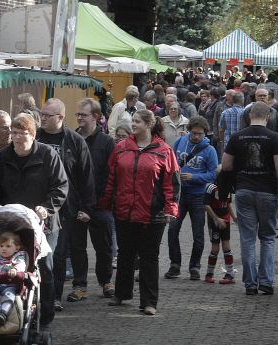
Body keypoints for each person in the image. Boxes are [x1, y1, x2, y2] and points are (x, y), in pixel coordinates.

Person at [0, 114, 68, 327]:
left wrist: (46, 208)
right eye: (14, 133)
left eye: (24, 133)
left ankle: (44, 318)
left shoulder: (47, 155)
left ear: (34, 135)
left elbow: (61, 186)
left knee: (44, 268)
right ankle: (4, 309)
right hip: (10, 222)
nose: (18, 137)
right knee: (4, 264)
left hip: (43, 224)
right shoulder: (1, 157)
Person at [99, 110, 180, 316]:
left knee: (149, 257)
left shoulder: (164, 151)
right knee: (125, 254)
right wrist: (106, 202)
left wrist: (171, 208)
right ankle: (121, 293)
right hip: (124, 211)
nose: (133, 124)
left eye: (137, 121)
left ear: (149, 124)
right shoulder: (121, 147)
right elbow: (111, 177)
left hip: (153, 214)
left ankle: (149, 302)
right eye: (132, 121)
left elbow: (171, 182)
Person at [221, 102, 278, 296]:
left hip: (244, 190)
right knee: (267, 237)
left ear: (249, 115)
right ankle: (266, 281)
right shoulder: (274, 137)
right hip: (267, 191)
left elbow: (226, 165)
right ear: (268, 117)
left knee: (247, 238)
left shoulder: (237, 136)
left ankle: (250, 284)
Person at [37, 98, 96, 307]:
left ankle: (54, 297)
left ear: (60, 117)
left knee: (58, 254)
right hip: (36, 205)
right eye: (42, 114)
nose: (43, 118)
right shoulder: (35, 137)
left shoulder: (75, 141)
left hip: (65, 208)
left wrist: (87, 208)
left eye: (47, 115)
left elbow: (86, 176)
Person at [165, 116, 218, 280]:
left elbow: (213, 174)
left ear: (205, 133)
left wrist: (194, 177)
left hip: (198, 196)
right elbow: (170, 162)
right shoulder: (180, 142)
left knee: (198, 234)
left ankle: (194, 266)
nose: (196, 136)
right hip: (180, 195)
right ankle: (175, 265)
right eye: (194, 133)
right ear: (189, 131)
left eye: (200, 134)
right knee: (173, 230)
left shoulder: (210, 150)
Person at [75, 98, 116, 298]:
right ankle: (80, 286)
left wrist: (100, 202)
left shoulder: (107, 142)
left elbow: (111, 175)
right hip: (77, 205)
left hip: (100, 205)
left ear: (97, 117)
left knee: (104, 248)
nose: (79, 118)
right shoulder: (72, 138)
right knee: (77, 248)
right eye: (78, 114)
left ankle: (106, 281)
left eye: (83, 114)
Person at [203, 174, 236, 284]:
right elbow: (206, 205)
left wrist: (234, 217)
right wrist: (216, 219)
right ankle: (209, 274)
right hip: (214, 221)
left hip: (225, 220)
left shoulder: (228, 187)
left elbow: (228, 203)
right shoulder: (211, 188)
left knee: (226, 246)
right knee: (215, 248)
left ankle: (230, 274)